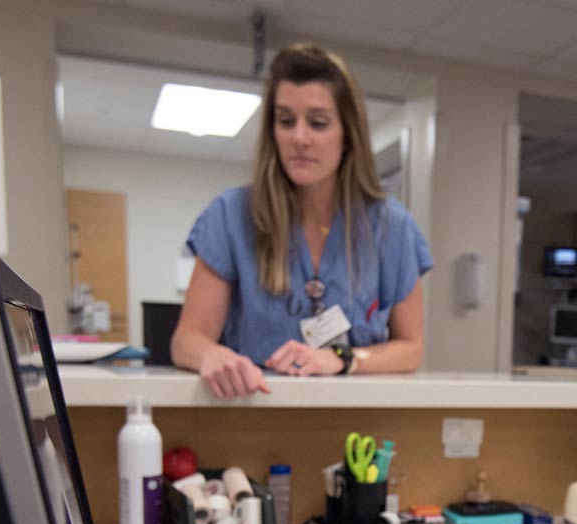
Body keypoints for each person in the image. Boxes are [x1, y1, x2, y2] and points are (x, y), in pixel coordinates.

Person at [172, 43, 432, 399]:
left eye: (318, 123)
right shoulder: (231, 216)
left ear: (348, 135)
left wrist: (342, 358)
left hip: (357, 423)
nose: (299, 138)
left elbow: (411, 348)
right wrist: (211, 354)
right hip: (251, 414)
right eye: (285, 121)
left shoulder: (392, 227)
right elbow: (187, 341)